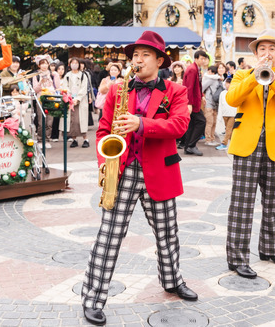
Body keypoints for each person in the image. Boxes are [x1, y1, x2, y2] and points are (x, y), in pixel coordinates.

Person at [81, 31, 196, 326]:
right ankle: (93, 298)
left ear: (159, 61)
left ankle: (172, 281)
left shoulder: (176, 91)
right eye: (135, 55)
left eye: (145, 55)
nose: (138, 60)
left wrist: (141, 124)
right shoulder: (119, 89)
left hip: (160, 169)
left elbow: (180, 125)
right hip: (123, 169)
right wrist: (106, 162)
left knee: (167, 233)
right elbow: (104, 129)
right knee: (109, 237)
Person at [225, 30, 275, 279]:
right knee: (241, 204)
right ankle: (237, 258)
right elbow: (232, 98)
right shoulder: (241, 74)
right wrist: (255, 76)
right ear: (255, 54)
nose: (266, 53)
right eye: (262, 50)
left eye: (271, 49)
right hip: (246, 145)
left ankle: (269, 250)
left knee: (273, 203)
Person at [182, 50, 209, 155]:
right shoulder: (192, 69)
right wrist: (189, 104)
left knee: (192, 124)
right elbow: (188, 87)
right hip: (192, 102)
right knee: (201, 122)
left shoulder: (196, 68)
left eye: (204, 59)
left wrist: (202, 96)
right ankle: (191, 145)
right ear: (196, 58)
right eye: (201, 58)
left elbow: (197, 85)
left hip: (195, 100)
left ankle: (188, 147)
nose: (203, 61)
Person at [63, 57, 91, 148]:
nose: (74, 64)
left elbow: (84, 88)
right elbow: (65, 87)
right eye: (72, 63)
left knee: (81, 121)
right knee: (72, 121)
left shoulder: (83, 75)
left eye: (76, 63)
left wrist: (78, 98)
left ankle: (85, 139)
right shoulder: (67, 75)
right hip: (70, 100)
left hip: (81, 101)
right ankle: (74, 139)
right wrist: (70, 97)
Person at [32, 55, 59, 147]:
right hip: (40, 100)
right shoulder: (36, 75)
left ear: (48, 64)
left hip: (51, 99)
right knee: (41, 121)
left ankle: (47, 140)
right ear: (38, 65)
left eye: (45, 63)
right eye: (42, 64)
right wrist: (41, 82)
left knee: (49, 122)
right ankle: (40, 140)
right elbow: (35, 89)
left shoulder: (53, 74)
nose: (44, 65)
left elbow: (57, 87)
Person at [202, 64, 224, 146]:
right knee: (209, 122)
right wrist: (203, 96)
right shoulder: (211, 79)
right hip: (209, 104)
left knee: (214, 122)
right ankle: (208, 140)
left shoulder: (219, 80)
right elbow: (202, 87)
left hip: (216, 104)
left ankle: (212, 138)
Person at [216, 77, 236, 151]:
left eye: (230, 83)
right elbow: (220, 105)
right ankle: (233, 144)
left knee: (228, 129)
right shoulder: (222, 93)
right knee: (228, 130)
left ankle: (224, 143)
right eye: (227, 83)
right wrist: (220, 116)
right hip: (225, 114)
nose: (229, 85)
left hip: (233, 114)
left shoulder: (235, 92)